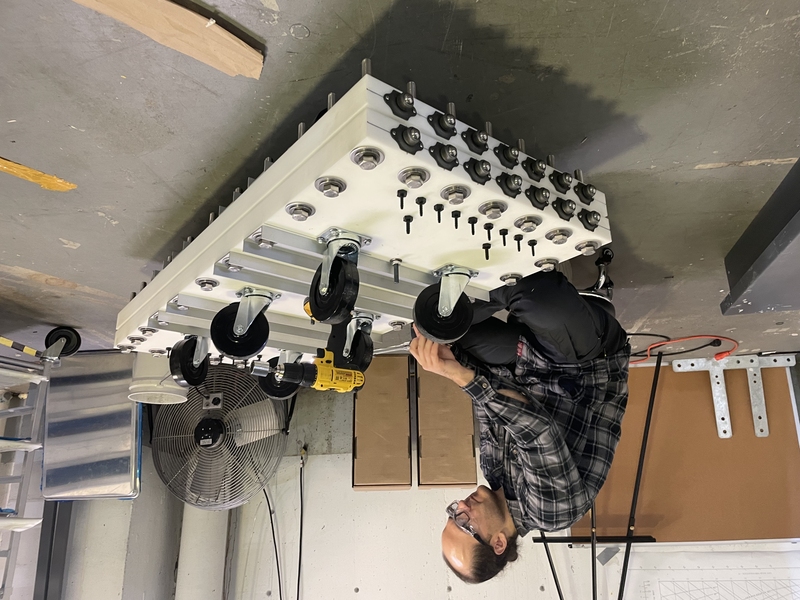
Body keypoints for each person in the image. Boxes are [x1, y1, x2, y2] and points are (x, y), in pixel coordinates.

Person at [409, 270, 630, 584]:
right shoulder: (551, 513)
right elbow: (536, 429)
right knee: (536, 293)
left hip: (527, 367)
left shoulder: (492, 471)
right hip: (585, 366)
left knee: (430, 333)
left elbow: (496, 391)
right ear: (498, 543)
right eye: (464, 524)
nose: (461, 507)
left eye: (452, 513)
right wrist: (458, 376)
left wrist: (450, 359)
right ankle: (496, 292)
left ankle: (478, 296)